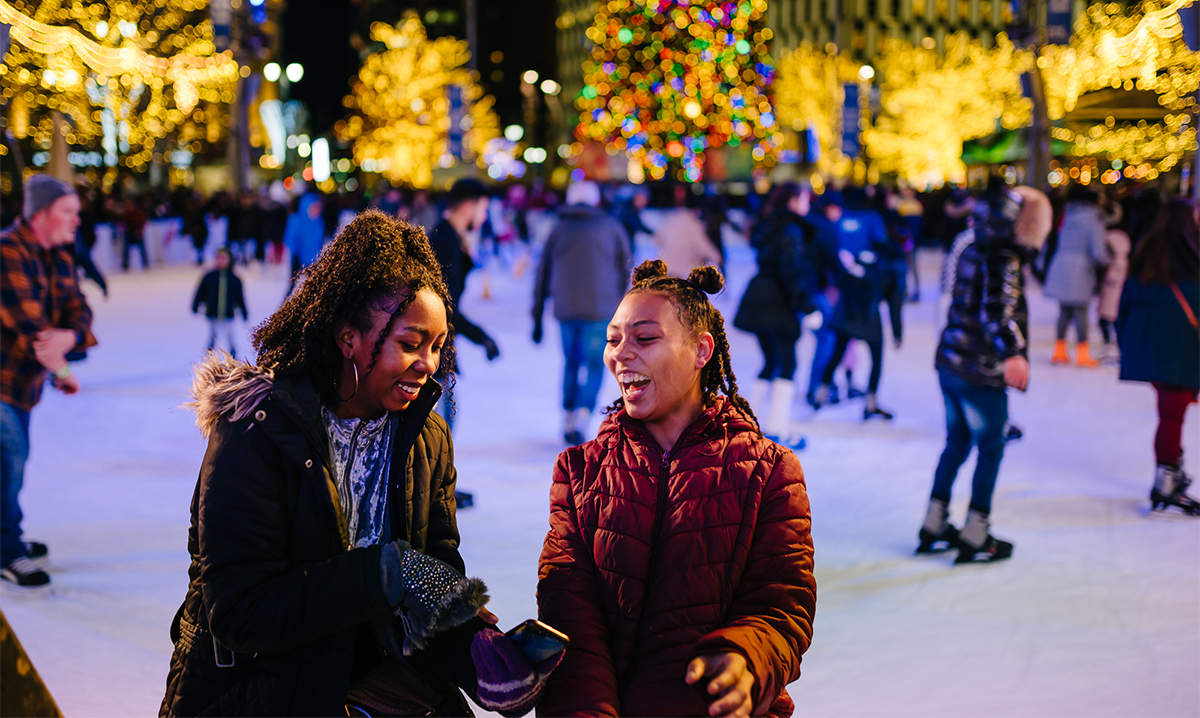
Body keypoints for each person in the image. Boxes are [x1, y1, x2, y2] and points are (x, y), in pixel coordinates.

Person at [160, 211, 558, 717]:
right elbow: (239, 613)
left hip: (373, 687)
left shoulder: (425, 438)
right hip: (254, 692)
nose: (429, 364)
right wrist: (384, 574)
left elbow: (430, 580)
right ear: (348, 338)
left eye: (437, 346)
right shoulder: (257, 430)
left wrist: (478, 655)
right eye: (410, 344)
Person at [537, 260, 816, 717]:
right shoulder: (580, 471)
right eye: (613, 339)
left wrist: (746, 659)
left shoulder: (768, 470)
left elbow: (782, 605)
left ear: (701, 351)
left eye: (645, 338)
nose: (621, 353)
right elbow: (568, 610)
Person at [918, 184, 1051, 564]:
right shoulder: (1003, 257)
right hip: (979, 371)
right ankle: (976, 533)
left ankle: (934, 522)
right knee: (990, 447)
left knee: (957, 442)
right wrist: (1014, 353)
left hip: (952, 362)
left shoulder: (974, 245)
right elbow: (998, 312)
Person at [1, 174, 98, 590]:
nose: (77, 220)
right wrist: (61, 367)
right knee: (11, 459)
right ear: (41, 213)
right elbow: (30, 325)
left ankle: (8, 536)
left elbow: (79, 308)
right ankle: (7, 551)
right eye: (67, 212)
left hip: (21, 383)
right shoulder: (6, 249)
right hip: (3, 379)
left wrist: (71, 337)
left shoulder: (58, 253)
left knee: (12, 462)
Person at [532, 181, 632, 446]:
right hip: (600, 310)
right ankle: (582, 416)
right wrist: (627, 309)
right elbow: (626, 268)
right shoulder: (611, 226)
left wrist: (537, 314)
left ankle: (567, 416)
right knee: (595, 364)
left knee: (572, 362)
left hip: (565, 309)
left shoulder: (559, 228)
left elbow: (542, 272)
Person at [1116, 198, 1200, 516]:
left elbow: (1127, 304)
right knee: (1172, 416)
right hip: (1182, 353)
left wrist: (1128, 343)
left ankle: (1171, 472)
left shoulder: (1148, 255)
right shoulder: (1191, 262)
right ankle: (1166, 481)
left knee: (1170, 413)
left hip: (1153, 352)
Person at [733, 182, 820, 447]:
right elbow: (792, 270)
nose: (808, 205)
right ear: (793, 201)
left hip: (759, 298)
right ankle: (776, 429)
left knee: (771, 361)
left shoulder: (768, 224)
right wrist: (807, 306)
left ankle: (751, 423)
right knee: (787, 364)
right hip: (777, 302)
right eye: (805, 198)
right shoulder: (791, 229)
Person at [428, 179, 500, 362]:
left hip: (437, 354)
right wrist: (481, 338)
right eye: (483, 210)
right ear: (468, 207)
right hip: (432, 358)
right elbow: (444, 309)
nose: (484, 217)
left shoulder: (449, 239)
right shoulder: (444, 244)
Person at [1044, 187, 1109, 368]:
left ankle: (1059, 351)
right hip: (1081, 267)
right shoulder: (1093, 220)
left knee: (1064, 310)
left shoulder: (1066, 216)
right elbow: (1098, 252)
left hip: (1061, 263)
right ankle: (1082, 354)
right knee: (1081, 312)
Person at [191, 247, 248, 357]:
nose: (220, 261)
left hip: (228, 314)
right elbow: (200, 292)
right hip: (213, 313)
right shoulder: (209, 276)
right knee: (213, 336)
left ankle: (233, 357)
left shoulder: (234, 279)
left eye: (223, 258)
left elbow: (240, 297)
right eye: (218, 258)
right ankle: (209, 357)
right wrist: (195, 304)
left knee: (230, 336)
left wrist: (244, 312)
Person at [1097, 200, 1131, 364]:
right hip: (1119, 277)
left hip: (1113, 278)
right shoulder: (1123, 235)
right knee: (1113, 314)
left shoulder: (1109, 236)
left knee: (1107, 315)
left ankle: (1112, 344)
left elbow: (1103, 257)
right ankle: (1116, 345)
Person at [283, 190, 326, 297]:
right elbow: (289, 239)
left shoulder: (319, 222)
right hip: (298, 257)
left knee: (314, 286)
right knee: (293, 284)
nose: (316, 211)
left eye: (317, 208)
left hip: (313, 259)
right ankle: (286, 304)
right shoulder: (296, 220)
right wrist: (296, 252)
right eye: (313, 208)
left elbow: (319, 241)